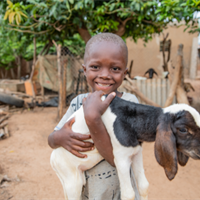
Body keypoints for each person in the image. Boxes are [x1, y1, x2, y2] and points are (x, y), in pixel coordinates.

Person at [48, 33, 140, 200]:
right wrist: (59, 137)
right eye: (96, 67)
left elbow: (117, 160)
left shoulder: (130, 104)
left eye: (115, 68)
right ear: (85, 70)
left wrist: (92, 119)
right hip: (87, 193)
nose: (105, 74)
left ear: (125, 72)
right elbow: (52, 141)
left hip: (120, 194)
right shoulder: (77, 103)